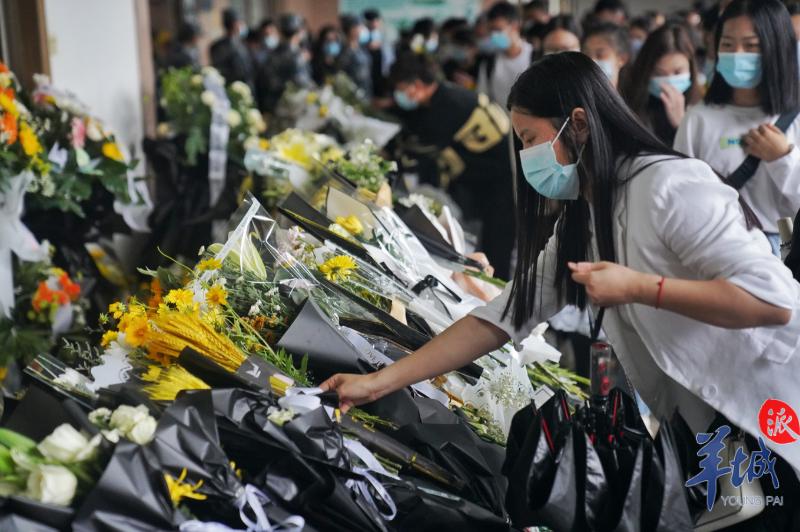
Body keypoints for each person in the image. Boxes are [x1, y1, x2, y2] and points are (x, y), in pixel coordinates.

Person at [322, 52, 800, 508]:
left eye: (530, 139)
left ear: (579, 122)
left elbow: (773, 300)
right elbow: (503, 316)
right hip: (710, 432)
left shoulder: (670, 186)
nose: (527, 155)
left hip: (768, 412)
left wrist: (638, 288)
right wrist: (379, 383)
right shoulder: (588, 213)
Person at [674, 0, 800, 254]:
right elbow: (679, 197)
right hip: (719, 252)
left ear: (778, 49)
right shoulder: (698, 119)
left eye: (752, 46)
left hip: (785, 254)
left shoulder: (795, 117)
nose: (737, 54)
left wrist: (783, 158)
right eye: (728, 45)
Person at [388, 53, 516, 279]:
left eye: (400, 89)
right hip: (486, 173)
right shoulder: (444, 96)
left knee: (496, 246)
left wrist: (390, 156)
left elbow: (416, 146)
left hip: (503, 178)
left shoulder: (446, 107)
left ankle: (495, 293)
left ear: (416, 85)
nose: (398, 96)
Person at [621, 23, 702, 145]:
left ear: (690, 68)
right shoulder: (628, 103)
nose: (669, 81)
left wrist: (681, 125)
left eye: (678, 72)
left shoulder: (700, 106)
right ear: (646, 71)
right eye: (659, 73)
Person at [476, 2, 535, 105]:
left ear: (515, 26)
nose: (493, 35)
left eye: (498, 29)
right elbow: (483, 99)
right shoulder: (489, 63)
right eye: (491, 30)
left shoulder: (536, 57)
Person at [257, 14, 313, 113]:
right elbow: (302, 84)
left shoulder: (272, 55)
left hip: (274, 107)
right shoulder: (297, 57)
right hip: (293, 109)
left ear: (279, 32)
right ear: (299, 32)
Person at [209, 8, 254, 88]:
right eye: (240, 22)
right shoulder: (219, 46)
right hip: (232, 90)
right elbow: (221, 71)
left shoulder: (241, 43)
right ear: (234, 24)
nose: (242, 25)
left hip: (246, 88)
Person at [581, 22, 630, 89]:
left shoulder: (633, 98)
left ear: (622, 59)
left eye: (600, 55)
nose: (591, 60)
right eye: (587, 55)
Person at [338, 14, 373, 99]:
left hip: (366, 91)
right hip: (353, 95)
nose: (362, 29)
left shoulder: (361, 48)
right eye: (359, 26)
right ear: (351, 29)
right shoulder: (345, 51)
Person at [363, 8, 393, 97]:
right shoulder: (362, 36)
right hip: (367, 75)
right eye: (371, 21)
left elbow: (389, 57)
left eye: (376, 20)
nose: (374, 23)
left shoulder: (384, 35)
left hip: (382, 74)